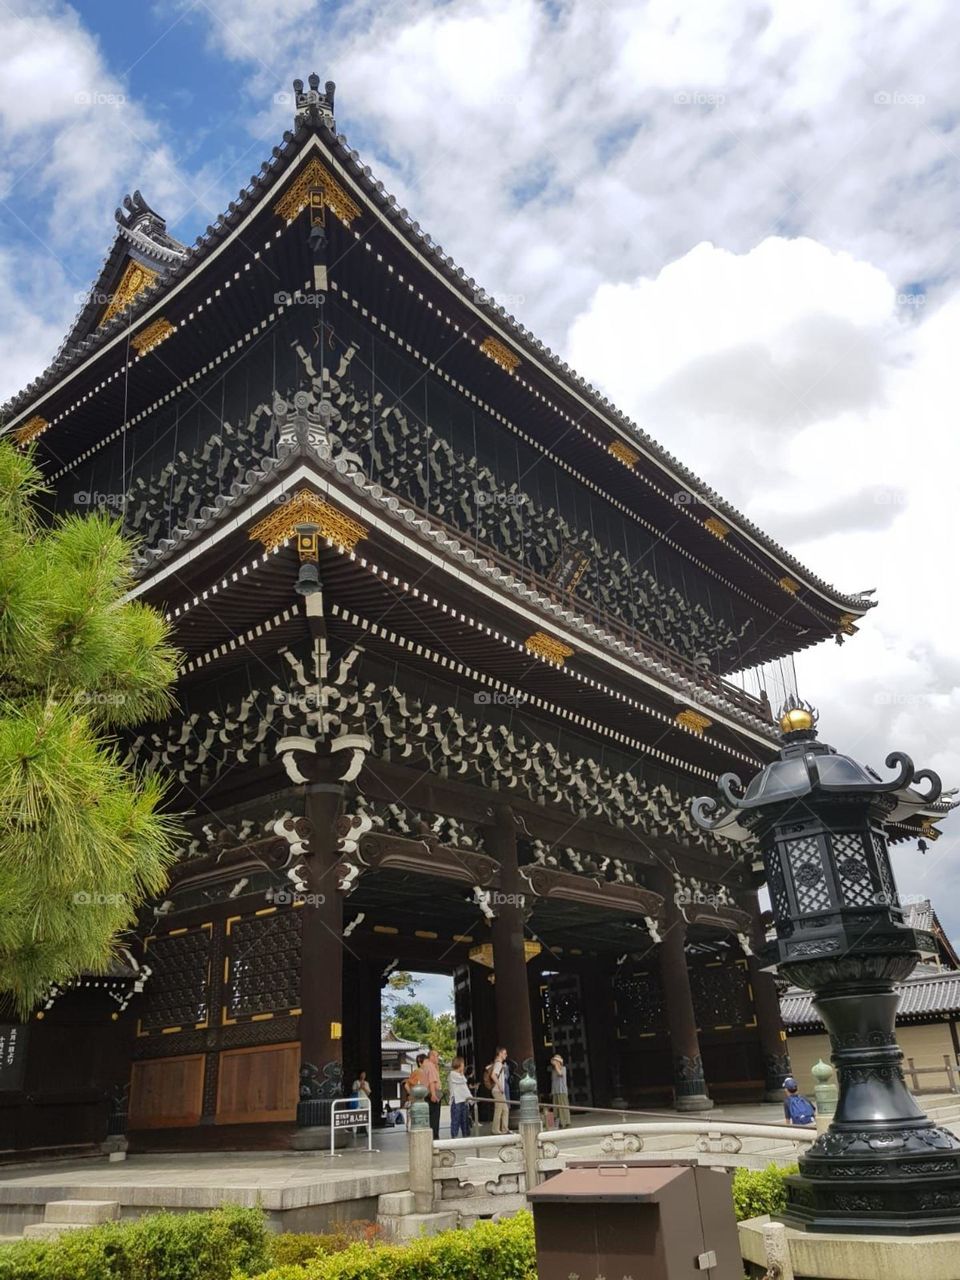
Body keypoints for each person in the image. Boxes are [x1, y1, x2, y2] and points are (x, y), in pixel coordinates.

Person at [448, 1056, 472, 1139]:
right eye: (463, 1064)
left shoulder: (460, 1075)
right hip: (456, 1100)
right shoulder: (452, 1074)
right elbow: (462, 1081)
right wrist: (462, 1074)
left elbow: (465, 1088)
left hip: (463, 1100)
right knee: (456, 1120)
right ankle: (454, 1137)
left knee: (464, 1120)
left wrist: (470, 1098)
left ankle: (466, 1136)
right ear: (460, 1064)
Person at [489, 1046, 509, 1135]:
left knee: (505, 1109)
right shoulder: (499, 1064)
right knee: (499, 1110)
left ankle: (504, 1128)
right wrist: (500, 1085)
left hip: (498, 1090)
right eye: (504, 1053)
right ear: (500, 1053)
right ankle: (496, 1129)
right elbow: (493, 1075)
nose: (506, 1055)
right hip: (498, 1090)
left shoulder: (497, 1063)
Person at [402, 1053, 426, 1128]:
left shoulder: (425, 1072)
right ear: (420, 1062)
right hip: (415, 1099)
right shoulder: (418, 1072)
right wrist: (412, 1094)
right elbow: (406, 1084)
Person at [423, 1047, 442, 1139]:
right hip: (432, 1094)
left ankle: (433, 1135)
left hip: (428, 1094)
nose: (438, 1058)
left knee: (431, 1117)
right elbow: (432, 1081)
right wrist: (434, 1094)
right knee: (434, 1117)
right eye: (437, 1056)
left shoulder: (426, 1065)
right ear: (432, 1057)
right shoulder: (430, 1066)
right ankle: (434, 1136)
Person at [549, 1054, 571, 1129]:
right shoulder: (553, 1071)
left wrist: (556, 1066)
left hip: (562, 1091)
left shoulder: (563, 1068)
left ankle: (566, 1122)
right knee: (556, 1108)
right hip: (555, 1091)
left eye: (556, 1061)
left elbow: (560, 1074)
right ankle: (558, 1123)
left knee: (563, 1107)